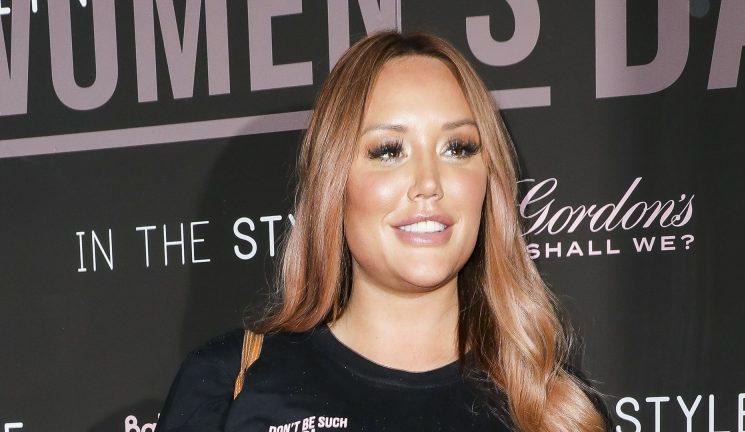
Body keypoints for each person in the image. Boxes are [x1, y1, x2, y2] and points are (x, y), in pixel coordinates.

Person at [155, 29, 613, 432]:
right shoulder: (229, 385)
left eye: (458, 147)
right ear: (334, 182)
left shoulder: (554, 409)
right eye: (389, 150)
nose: (429, 183)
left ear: (488, 180)